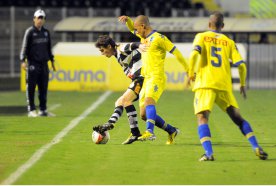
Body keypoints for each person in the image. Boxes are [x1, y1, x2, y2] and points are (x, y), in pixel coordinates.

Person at [187, 11, 268, 161]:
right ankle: (256, 147)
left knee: (202, 118)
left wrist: (190, 73)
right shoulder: (229, 42)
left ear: (209, 24)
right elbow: (242, 66)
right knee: (238, 119)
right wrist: (242, 84)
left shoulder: (201, 36)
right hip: (224, 86)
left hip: (205, 84)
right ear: (222, 26)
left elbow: (193, 55)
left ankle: (209, 154)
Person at [118, 15, 189, 144]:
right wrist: (128, 21)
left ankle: (150, 132)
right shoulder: (144, 38)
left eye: (137, 29)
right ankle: (172, 131)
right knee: (144, 115)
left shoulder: (159, 38)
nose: (136, 32)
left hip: (157, 77)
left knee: (149, 100)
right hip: (146, 78)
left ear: (143, 26)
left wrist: (188, 70)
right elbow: (131, 29)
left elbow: (176, 52)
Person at [93, 35, 145, 144]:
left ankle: (133, 133)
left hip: (142, 79)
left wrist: (140, 45)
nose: (102, 53)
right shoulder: (116, 54)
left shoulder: (120, 48)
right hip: (138, 80)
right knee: (121, 102)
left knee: (126, 101)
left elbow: (132, 45)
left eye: (103, 50)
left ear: (109, 46)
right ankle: (171, 130)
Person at [20, 9, 56, 117]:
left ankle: (42, 110)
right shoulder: (30, 32)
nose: (40, 20)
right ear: (34, 19)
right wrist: (23, 60)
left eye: (42, 18)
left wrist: (52, 61)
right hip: (33, 64)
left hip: (44, 64)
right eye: (38, 18)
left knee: (43, 88)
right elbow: (24, 47)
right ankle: (31, 109)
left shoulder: (46, 33)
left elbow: (49, 49)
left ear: (44, 20)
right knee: (31, 87)